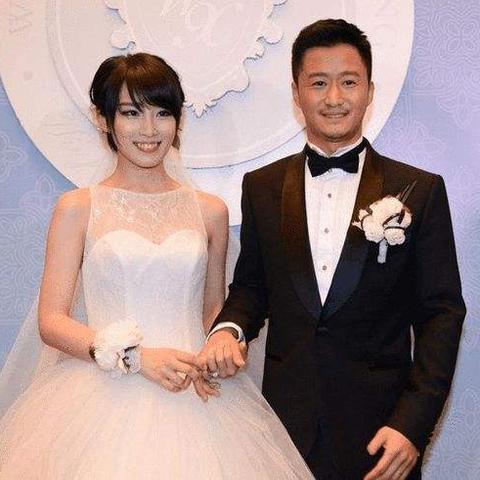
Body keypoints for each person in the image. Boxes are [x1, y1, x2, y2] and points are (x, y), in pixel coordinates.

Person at [0, 53, 313, 479]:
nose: (149, 130)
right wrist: (135, 358)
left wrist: (223, 349)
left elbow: (212, 311)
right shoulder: (77, 207)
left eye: (162, 113)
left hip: (195, 397)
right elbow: (52, 321)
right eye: (131, 113)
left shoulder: (210, 212)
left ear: (178, 121)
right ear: (104, 119)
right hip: (102, 398)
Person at [201, 19, 466, 480]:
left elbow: (441, 314)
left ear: (370, 90)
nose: (334, 98)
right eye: (318, 83)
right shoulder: (261, 187)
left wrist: (411, 426)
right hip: (284, 430)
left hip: (382, 437)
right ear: (297, 93)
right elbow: (252, 288)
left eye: (349, 82)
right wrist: (228, 329)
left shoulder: (419, 189)